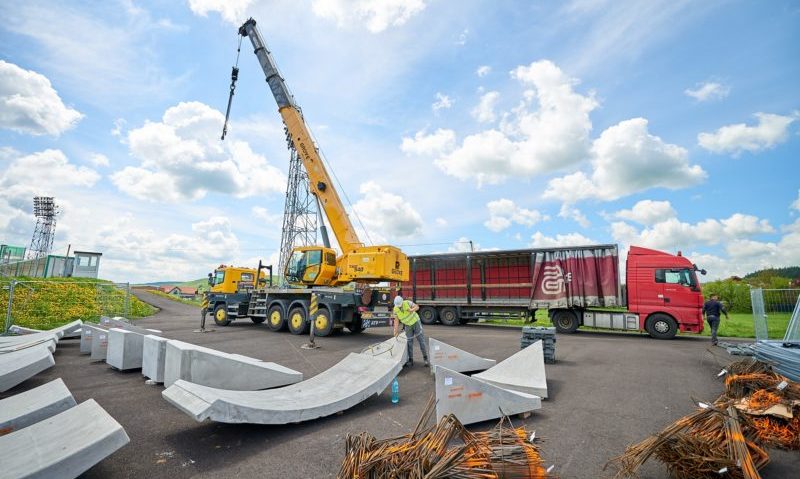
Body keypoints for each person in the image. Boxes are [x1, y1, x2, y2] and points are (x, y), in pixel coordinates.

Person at [392, 295, 429, 367]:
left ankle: (426, 359)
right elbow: (396, 320)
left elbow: (417, 307)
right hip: (408, 325)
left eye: (400, 305)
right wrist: (395, 331)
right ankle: (410, 360)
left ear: (402, 301)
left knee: (421, 341)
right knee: (409, 342)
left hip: (415, 322)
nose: (399, 306)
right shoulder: (395, 309)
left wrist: (411, 310)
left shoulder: (407, 303)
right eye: (398, 305)